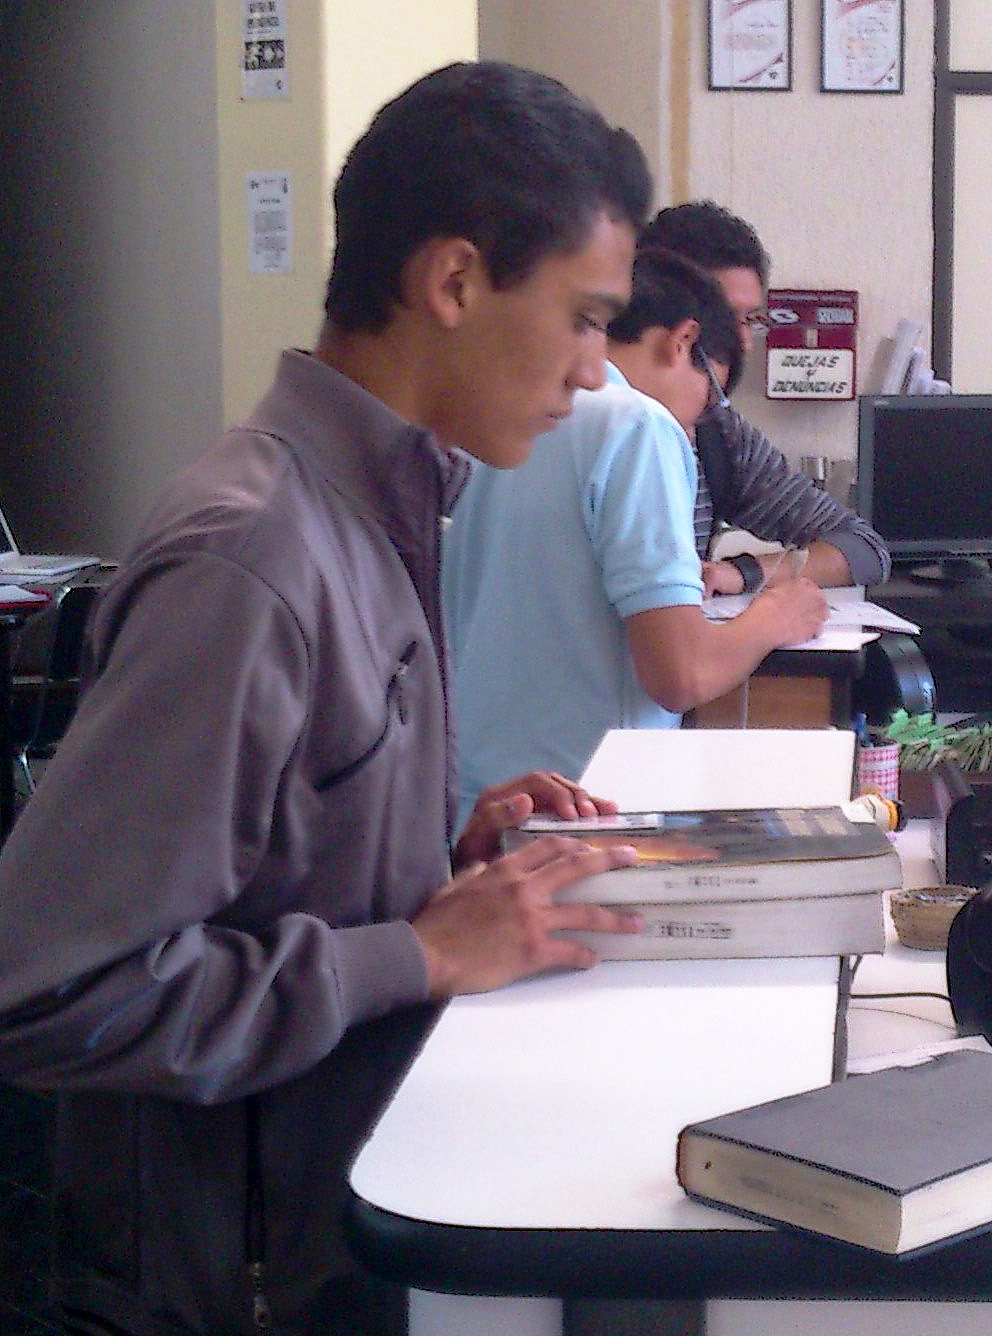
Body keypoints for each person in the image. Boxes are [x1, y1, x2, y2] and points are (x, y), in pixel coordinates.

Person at [0, 63, 656, 1335]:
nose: (593, 372)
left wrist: (433, 858)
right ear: (455, 282)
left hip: (330, 1234)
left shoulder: (386, 509)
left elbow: (262, 870)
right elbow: (45, 990)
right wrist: (411, 949)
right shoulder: (252, 563)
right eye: (584, 318)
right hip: (222, 1291)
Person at [443, 245, 827, 811]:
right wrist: (774, 617)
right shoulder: (639, 424)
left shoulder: (497, 409)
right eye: (711, 396)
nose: (697, 425)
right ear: (682, 342)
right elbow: (680, 674)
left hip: (472, 801)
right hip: (587, 800)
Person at [639, 200, 892, 591]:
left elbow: (863, 549)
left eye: (751, 321)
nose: (742, 342)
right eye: (724, 319)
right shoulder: (585, 429)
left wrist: (743, 573)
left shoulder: (719, 434)